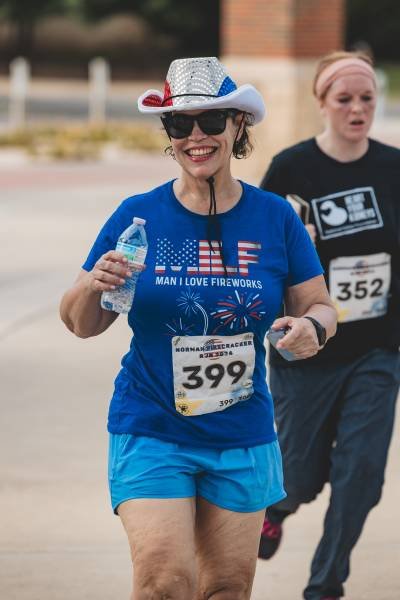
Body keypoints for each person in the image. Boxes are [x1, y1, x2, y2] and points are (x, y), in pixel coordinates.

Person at [60, 56, 336, 600]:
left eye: (210, 121)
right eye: (179, 123)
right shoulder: (138, 217)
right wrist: (93, 285)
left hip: (242, 433)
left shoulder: (275, 217)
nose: (195, 137)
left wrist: (313, 328)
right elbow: (79, 323)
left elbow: (320, 306)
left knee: (227, 586)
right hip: (152, 425)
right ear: (168, 133)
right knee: (164, 581)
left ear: (238, 125)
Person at [258, 50, 400, 600]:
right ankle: (276, 509)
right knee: (298, 474)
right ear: (322, 103)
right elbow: (257, 255)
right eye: (344, 99)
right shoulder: (292, 168)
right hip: (306, 349)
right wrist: (295, 247)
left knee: (360, 474)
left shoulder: (393, 167)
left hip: (377, 348)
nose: (357, 109)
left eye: (367, 98)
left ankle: (326, 584)